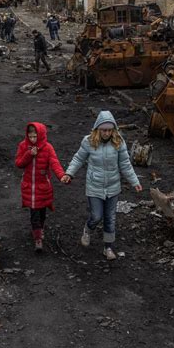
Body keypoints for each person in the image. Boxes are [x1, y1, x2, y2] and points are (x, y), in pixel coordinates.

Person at [61, 111, 142, 260]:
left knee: (110, 218)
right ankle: (88, 228)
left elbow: (125, 165)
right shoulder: (89, 141)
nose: (106, 133)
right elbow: (78, 158)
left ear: (114, 130)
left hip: (113, 187)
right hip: (94, 186)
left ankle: (108, 247)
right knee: (97, 216)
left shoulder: (118, 142)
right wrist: (69, 173)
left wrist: (135, 182)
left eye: (109, 130)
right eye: (104, 130)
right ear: (98, 128)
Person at [15, 122, 65, 252]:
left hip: (43, 187)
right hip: (29, 187)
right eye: (30, 137)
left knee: (42, 212)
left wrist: (62, 176)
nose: (32, 139)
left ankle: (40, 228)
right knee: (34, 213)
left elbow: (55, 163)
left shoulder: (48, 148)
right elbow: (19, 163)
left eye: (35, 137)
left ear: (41, 135)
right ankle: (38, 238)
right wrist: (29, 154)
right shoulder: (23, 146)